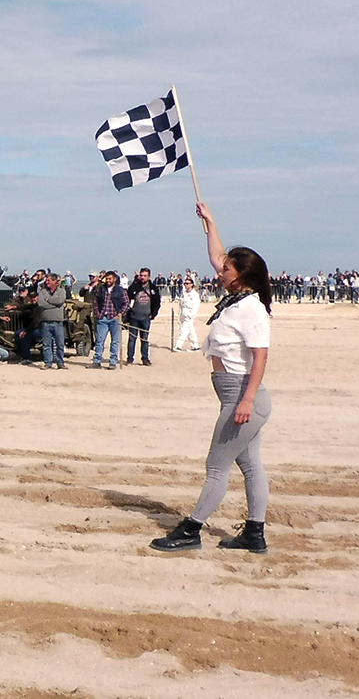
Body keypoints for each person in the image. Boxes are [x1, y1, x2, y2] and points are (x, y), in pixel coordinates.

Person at [150, 202, 274, 554]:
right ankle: (254, 534)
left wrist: (247, 400)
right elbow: (218, 256)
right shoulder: (238, 299)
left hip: (243, 396)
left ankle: (191, 529)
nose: (220, 273)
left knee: (216, 467)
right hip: (235, 395)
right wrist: (210, 222)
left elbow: (261, 357)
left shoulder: (251, 309)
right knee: (250, 464)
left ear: (242, 275)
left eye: (227, 270)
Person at [125, 268, 162, 366]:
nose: (143, 277)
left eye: (145, 276)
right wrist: (127, 317)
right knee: (132, 339)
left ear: (149, 277)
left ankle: (145, 359)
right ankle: (129, 358)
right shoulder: (133, 287)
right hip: (134, 317)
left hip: (146, 317)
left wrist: (153, 314)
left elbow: (157, 302)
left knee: (144, 339)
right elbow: (127, 302)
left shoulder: (153, 288)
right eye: (141, 275)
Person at [90, 271, 125, 370]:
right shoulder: (101, 289)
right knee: (100, 341)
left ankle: (113, 362)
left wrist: (120, 314)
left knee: (115, 342)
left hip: (115, 319)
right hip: (103, 318)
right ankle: (97, 361)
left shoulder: (120, 290)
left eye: (110, 279)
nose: (108, 280)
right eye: (107, 279)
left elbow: (126, 303)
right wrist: (98, 314)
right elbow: (96, 302)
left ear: (114, 279)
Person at [36, 272, 68, 369]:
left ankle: (60, 363)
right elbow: (40, 303)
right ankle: (48, 363)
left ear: (55, 281)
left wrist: (48, 300)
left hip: (58, 322)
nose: (47, 282)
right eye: (46, 280)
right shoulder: (42, 292)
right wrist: (54, 304)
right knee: (46, 345)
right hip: (46, 322)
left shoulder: (61, 291)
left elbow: (60, 301)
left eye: (49, 280)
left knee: (60, 344)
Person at [173, 275, 202, 351]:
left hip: (189, 313)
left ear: (192, 284)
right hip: (183, 313)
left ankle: (178, 346)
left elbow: (196, 306)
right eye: (185, 283)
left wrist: (191, 315)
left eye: (188, 283)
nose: (186, 285)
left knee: (184, 330)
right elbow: (181, 304)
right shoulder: (184, 293)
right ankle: (195, 345)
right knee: (190, 330)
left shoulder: (194, 294)